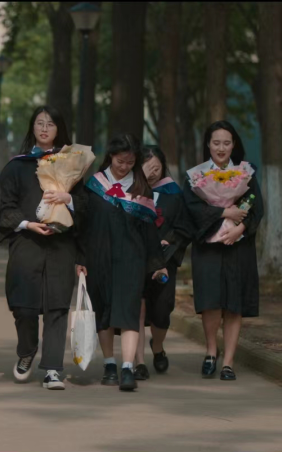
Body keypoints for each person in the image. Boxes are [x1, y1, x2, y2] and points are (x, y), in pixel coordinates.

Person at [0, 105, 83, 390]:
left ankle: (53, 369)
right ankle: (27, 350)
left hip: (61, 245)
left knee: (57, 305)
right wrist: (26, 224)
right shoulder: (17, 166)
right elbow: (3, 206)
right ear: (32, 128)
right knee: (24, 306)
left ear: (59, 130)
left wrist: (68, 199)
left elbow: (87, 207)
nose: (44, 129)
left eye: (50, 124)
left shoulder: (73, 165)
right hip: (27, 243)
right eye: (39, 123)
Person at [80, 135, 167, 392]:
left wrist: (157, 263)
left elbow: (149, 231)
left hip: (132, 259)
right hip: (99, 258)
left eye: (130, 162)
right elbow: (83, 226)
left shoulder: (141, 188)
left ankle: (127, 367)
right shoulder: (94, 186)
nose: (124, 167)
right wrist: (80, 259)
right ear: (111, 157)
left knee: (130, 311)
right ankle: (109, 365)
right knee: (104, 311)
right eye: (120, 161)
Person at [183, 121, 264, 381]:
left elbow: (256, 206)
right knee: (211, 302)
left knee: (234, 303)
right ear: (208, 144)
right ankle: (211, 351)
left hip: (238, 246)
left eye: (226, 143)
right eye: (216, 142)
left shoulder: (245, 173)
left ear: (234, 145)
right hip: (208, 246)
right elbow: (191, 208)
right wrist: (223, 212)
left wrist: (240, 228)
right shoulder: (196, 176)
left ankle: (228, 362)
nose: (221, 148)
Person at [135, 146, 195, 378]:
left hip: (164, 260)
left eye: (156, 168)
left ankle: (157, 347)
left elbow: (184, 226)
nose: (152, 173)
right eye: (147, 167)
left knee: (162, 310)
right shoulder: (128, 191)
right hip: (136, 259)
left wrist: (168, 241)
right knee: (137, 309)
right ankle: (139, 363)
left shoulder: (173, 193)